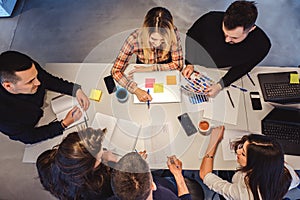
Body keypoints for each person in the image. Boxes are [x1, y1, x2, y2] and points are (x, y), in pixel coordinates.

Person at [182, 1, 271, 97]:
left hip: (222, 70)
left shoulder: (262, 46)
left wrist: (220, 85)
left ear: (251, 29)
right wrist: (189, 62)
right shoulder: (209, 19)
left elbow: (243, 68)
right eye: (225, 33)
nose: (227, 40)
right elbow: (192, 36)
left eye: (234, 38)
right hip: (198, 63)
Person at [0, 50, 90, 144]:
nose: (38, 82)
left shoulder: (29, 70)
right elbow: (29, 136)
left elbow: (47, 79)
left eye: (36, 76)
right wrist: (63, 124)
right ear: (8, 86)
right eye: (30, 81)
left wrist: (75, 90)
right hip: (35, 122)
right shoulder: (3, 117)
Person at [199, 126, 300, 200]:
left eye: (243, 154)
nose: (237, 152)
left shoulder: (245, 194)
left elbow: (205, 175)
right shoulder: (285, 172)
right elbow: (296, 180)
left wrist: (213, 141)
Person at [111, 7, 183, 102]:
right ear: (146, 33)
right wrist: (136, 90)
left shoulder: (172, 33)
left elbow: (178, 65)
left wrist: (151, 69)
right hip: (143, 63)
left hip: (166, 64)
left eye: (162, 40)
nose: (157, 44)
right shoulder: (134, 39)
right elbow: (116, 71)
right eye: (153, 39)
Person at [36, 128, 117, 199]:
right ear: (90, 168)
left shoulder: (45, 162)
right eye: (101, 157)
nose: (107, 152)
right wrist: (115, 166)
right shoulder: (98, 190)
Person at [109, 152, 192, 200]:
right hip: (171, 186)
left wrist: (137, 165)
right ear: (153, 186)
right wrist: (178, 175)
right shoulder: (166, 196)